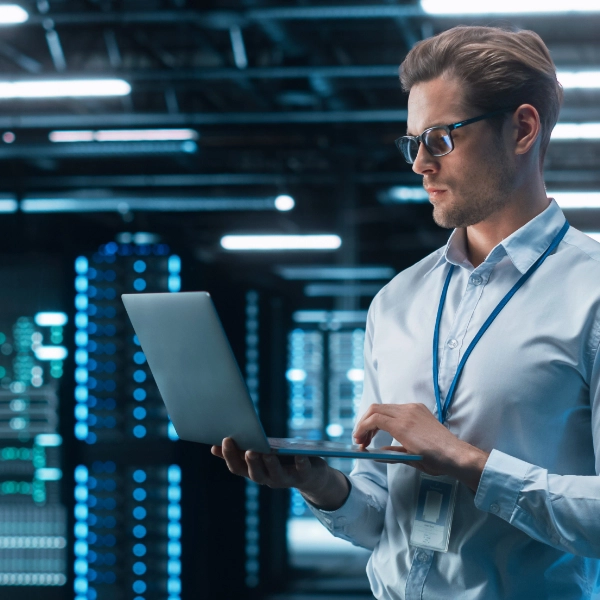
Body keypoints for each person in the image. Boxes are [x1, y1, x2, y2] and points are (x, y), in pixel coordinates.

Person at [212, 25, 600, 599]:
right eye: (412, 142)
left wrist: (468, 462)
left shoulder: (591, 291)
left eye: (440, 139)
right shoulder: (397, 301)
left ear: (521, 129)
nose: (420, 164)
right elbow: (378, 523)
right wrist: (323, 485)